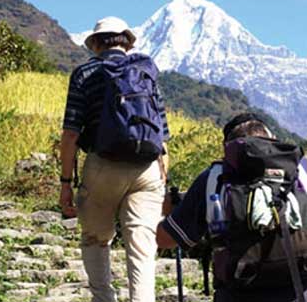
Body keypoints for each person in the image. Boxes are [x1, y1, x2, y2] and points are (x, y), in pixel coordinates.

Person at [60, 16, 170, 302]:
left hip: (103, 165)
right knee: (142, 246)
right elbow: (163, 135)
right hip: (147, 167)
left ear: (96, 43)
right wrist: (161, 178)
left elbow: (70, 134)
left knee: (96, 239)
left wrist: (65, 184)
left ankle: (104, 298)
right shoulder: (145, 71)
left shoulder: (85, 74)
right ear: (126, 42)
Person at [156, 113, 307, 302]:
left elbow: (166, 239)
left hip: (236, 294)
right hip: (297, 291)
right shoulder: (300, 172)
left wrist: (147, 211)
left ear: (227, 150)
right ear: (273, 140)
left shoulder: (214, 177)